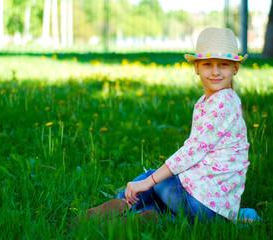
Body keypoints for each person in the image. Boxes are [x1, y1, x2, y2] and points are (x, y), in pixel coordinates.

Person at [75, 27, 259, 225]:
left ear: (235, 69)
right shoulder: (217, 101)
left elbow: (192, 152)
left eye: (223, 64)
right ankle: (152, 218)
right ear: (197, 68)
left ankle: (124, 203)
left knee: (154, 180)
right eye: (208, 64)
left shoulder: (223, 103)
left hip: (201, 205)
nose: (215, 71)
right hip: (215, 211)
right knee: (169, 201)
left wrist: (149, 180)